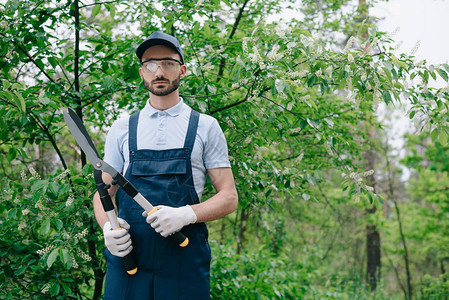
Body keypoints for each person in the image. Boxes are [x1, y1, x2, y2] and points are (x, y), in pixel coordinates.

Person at [92, 31, 238, 299]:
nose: (159, 71)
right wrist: (107, 228)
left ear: (182, 70)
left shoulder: (206, 126)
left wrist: (186, 214)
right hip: (128, 261)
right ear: (141, 73)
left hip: (184, 260)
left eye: (168, 63)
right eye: (150, 64)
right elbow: (103, 193)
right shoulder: (122, 128)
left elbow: (229, 197)